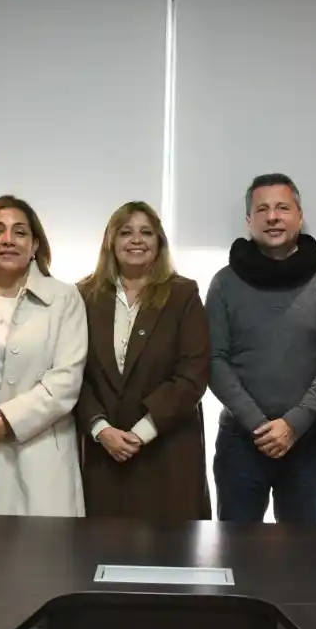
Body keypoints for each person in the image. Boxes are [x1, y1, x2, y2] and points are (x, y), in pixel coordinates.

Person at [205, 173, 316, 526]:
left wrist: (293, 424)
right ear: (248, 221)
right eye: (263, 209)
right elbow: (213, 360)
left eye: (282, 208)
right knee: (234, 555)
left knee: (302, 559)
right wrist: (259, 425)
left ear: (299, 216)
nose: (272, 217)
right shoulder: (225, 282)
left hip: (307, 444)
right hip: (241, 443)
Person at [0, 195, 88, 517]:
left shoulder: (64, 298)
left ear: (35, 244)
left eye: (20, 232)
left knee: (39, 562)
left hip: (40, 456)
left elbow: (65, 381)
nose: (8, 240)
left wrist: (5, 423)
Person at [75, 201, 211, 522]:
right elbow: (71, 373)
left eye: (146, 232)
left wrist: (143, 431)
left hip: (167, 447)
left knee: (170, 555)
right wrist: (100, 428)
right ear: (111, 242)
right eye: (126, 232)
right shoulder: (82, 295)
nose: (136, 240)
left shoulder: (183, 294)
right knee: (102, 554)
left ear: (159, 242)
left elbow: (193, 374)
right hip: (103, 449)